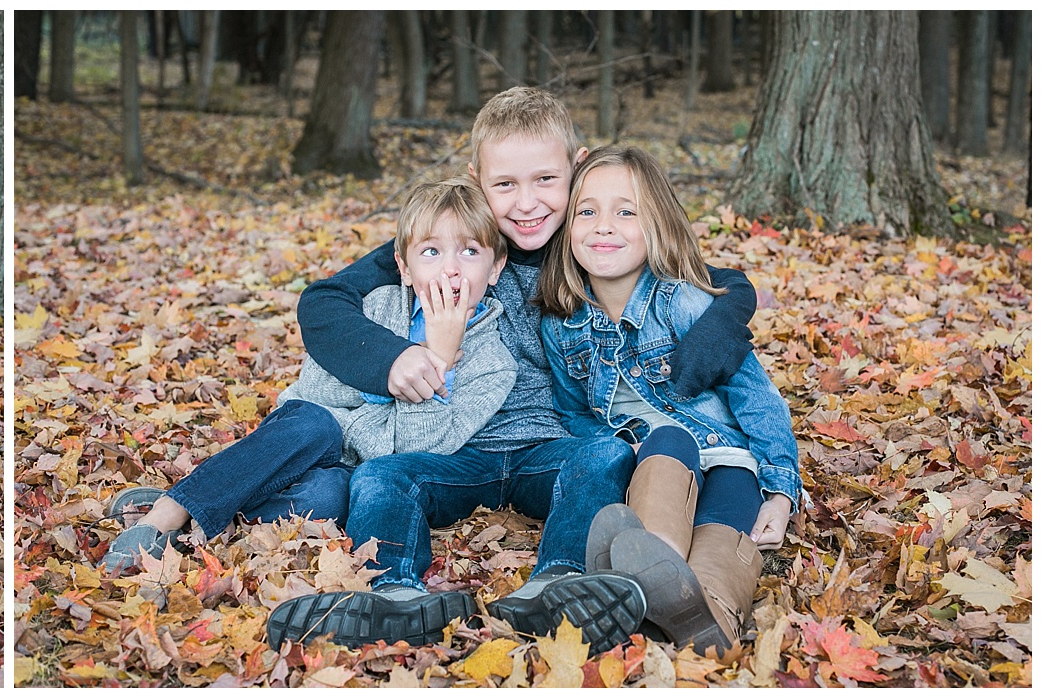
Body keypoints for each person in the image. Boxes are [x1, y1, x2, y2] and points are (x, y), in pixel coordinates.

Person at [268, 87, 761, 651]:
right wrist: (393, 359)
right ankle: (391, 593)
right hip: (454, 447)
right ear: (478, 180)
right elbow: (324, 302)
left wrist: (722, 322)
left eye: (546, 181)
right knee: (379, 477)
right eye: (505, 185)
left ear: (576, 169)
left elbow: (713, 277)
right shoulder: (461, 242)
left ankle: (561, 581)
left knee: (605, 454)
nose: (526, 204)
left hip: (549, 445)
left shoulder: (588, 241)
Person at [101, 176, 518, 576]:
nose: (450, 270)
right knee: (314, 425)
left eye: (469, 252)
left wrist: (436, 359)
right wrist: (392, 372)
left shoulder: (494, 364)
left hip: (357, 469)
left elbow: (415, 451)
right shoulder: (374, 306)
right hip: (302, 438)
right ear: (403, 267)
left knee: (330, 499)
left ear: (495, 267)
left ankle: (197, 521)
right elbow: (316, 389)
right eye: (430, 252)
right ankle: (164, 516)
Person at [534, 146, 800, 654]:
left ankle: (709, 618)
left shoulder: (681, 300)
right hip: (653, 463)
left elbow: (756, 397)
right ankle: (645, 577)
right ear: (567, 229)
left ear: (656, 224)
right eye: (586, 211)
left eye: (626, 211)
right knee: (667, 438)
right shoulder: (561, 326)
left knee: (722, 538)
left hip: (725, 459)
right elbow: (574, 413)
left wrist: (781, 491)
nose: (603, 225)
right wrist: (613, 457)